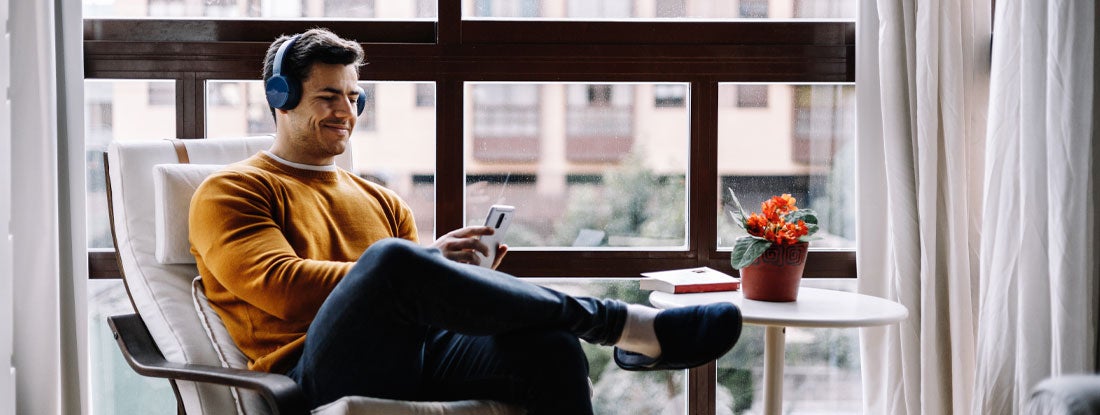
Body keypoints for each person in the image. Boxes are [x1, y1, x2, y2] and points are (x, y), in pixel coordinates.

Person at [189, 27, 742, 414]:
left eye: (355, 97)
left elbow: (415, 307)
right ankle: (619, 324)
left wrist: (466, 275)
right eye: (329, 95)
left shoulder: (382, 200)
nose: (346, 112)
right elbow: (284, 291)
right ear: (280, 96)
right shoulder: (233, 188)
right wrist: (423, 263)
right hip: (311, 375)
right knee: (393, 260)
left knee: (549, 347)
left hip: (416, 357)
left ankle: (611, 330)